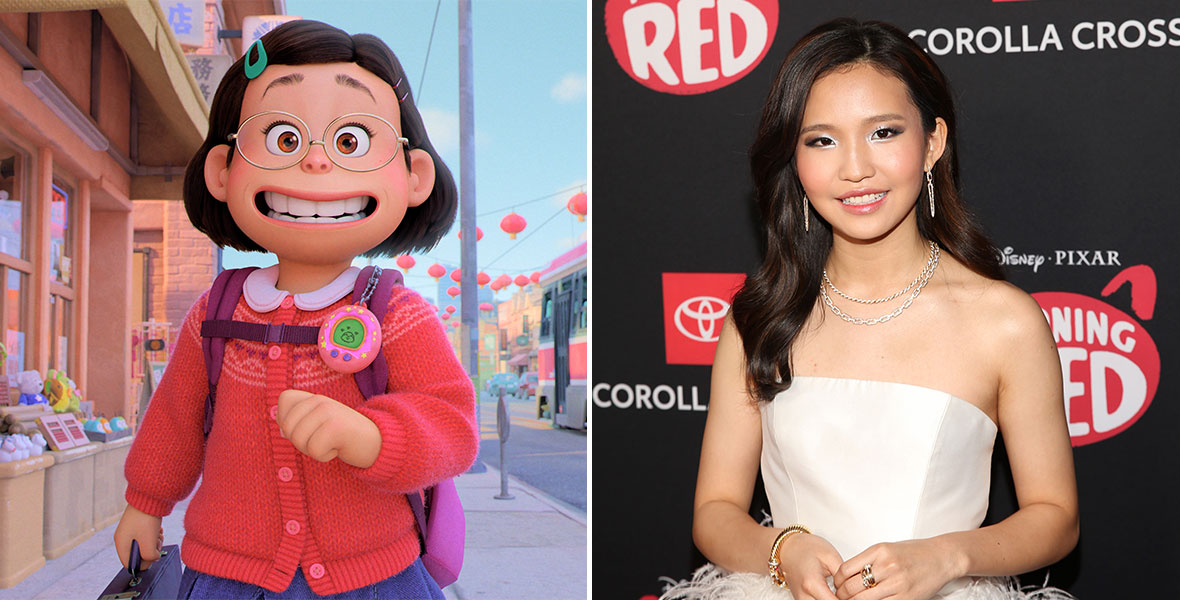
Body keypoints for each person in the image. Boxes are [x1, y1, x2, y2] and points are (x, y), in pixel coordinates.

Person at [663, 19, 1078, 600]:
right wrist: (783, 549)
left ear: (933, 142)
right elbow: (715, 510)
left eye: (883, 132)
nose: (855, 168)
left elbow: (1056, 514)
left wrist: (946, 555)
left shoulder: (1004, 322)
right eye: (822, 140)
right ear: (793, 158)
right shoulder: (759, 318)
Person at [112, 20, 478, 599]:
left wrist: (374, 437)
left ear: (413, 177)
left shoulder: (396, 313)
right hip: (225, 574)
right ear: (223, 170)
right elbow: (175, 422)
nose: (313, 164)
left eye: (351, 141)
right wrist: (146, 504)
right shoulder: (217, 312)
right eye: (284, 138)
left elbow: (452, 427)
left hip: (375, 574)